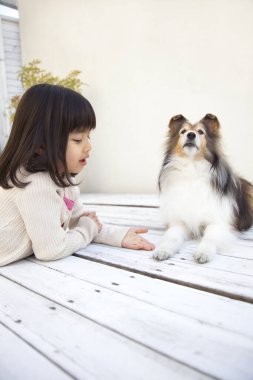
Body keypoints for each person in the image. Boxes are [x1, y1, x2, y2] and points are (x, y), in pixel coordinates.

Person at [0, 84, 155, 267]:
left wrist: (117, 235)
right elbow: (52, 249)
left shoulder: (63, 180)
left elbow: (80, 219)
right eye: (78, 140)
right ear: (41, 144)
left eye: (88, 137)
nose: (88, 146)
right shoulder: (33, 184)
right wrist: (87, 229)